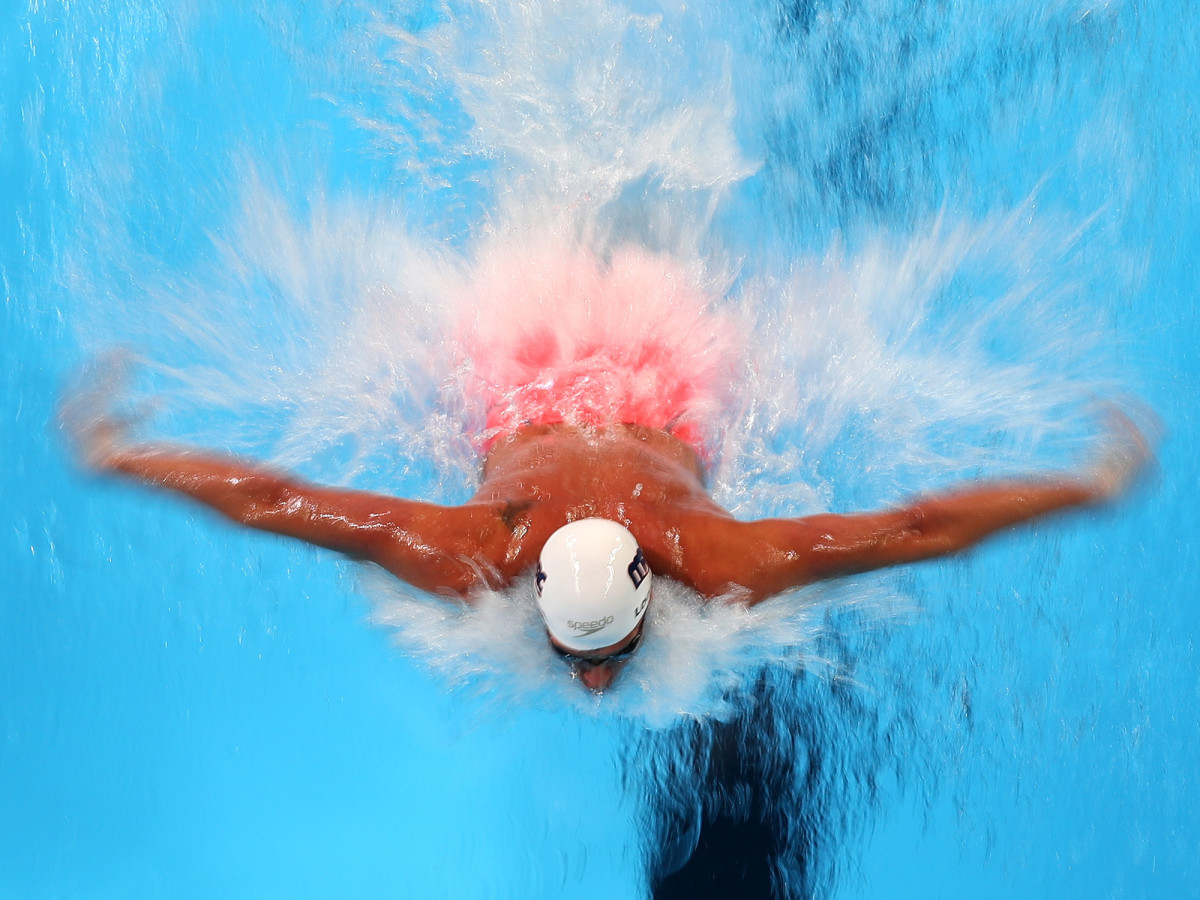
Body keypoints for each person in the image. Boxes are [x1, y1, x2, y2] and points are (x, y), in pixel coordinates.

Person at [61, 361, 1154, 692]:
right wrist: (1083, 482)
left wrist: (125, 454)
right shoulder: (714, 557)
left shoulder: (473, 546)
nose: (594, 681)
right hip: (611, 384)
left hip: (566, 385)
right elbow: (917, 526)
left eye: (602, 653)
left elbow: (269, 500)